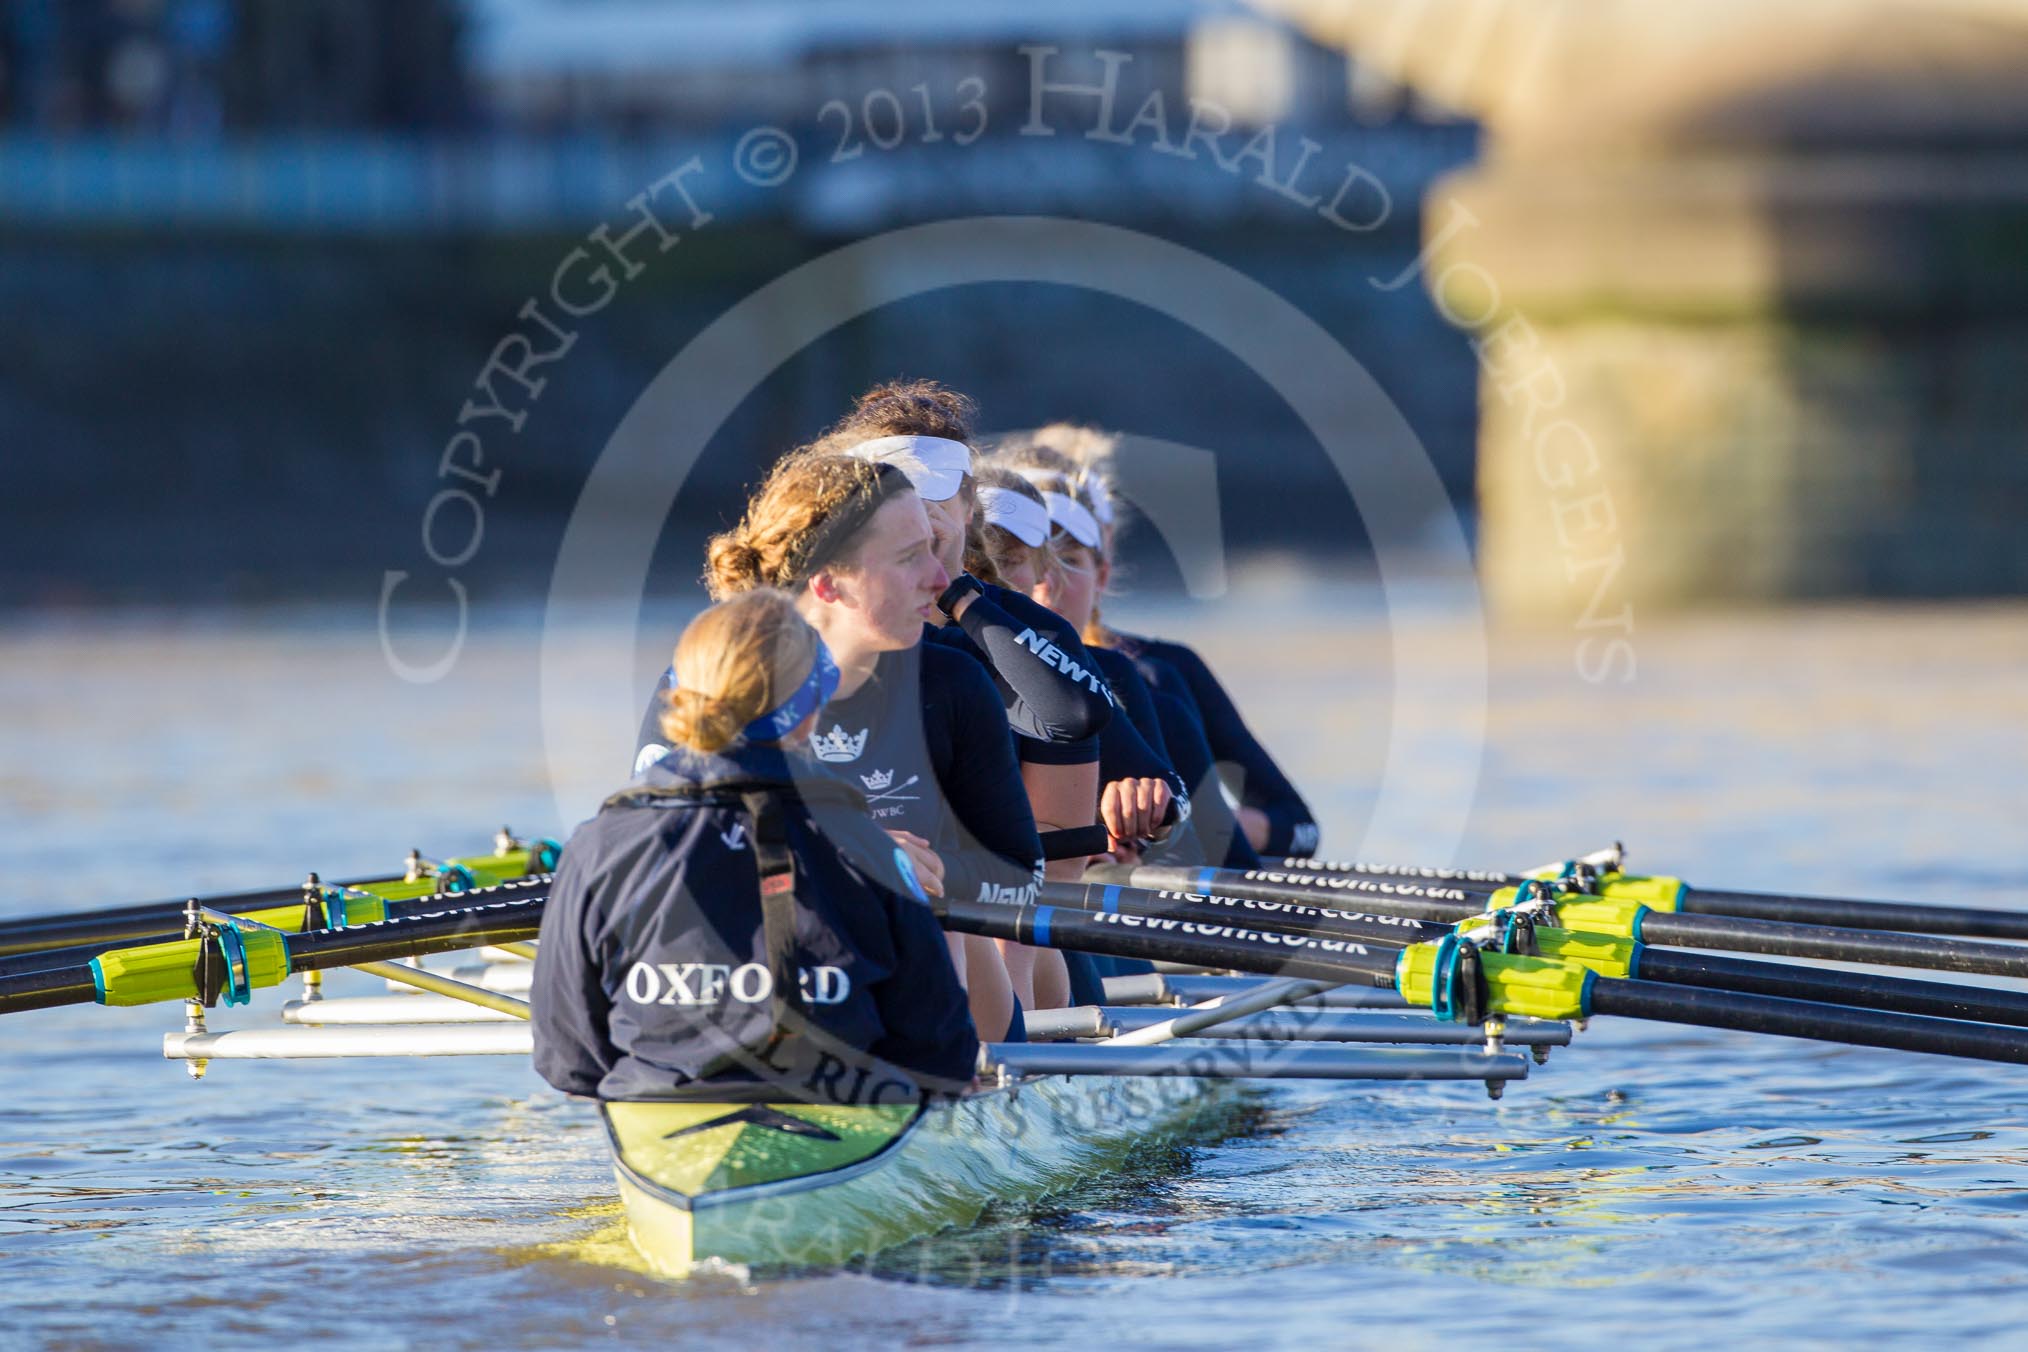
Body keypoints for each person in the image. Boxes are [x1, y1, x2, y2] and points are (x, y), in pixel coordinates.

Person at [635, 449, 1040, 1037]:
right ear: (829, 583)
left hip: (929, 1003)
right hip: (754, 997)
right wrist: (836, 853)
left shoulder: (953, 685)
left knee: (932, 910)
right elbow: (652, 857)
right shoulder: (710, 681)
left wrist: (922, 868)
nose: (941, 577)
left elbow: (1020, 877)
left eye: (934, 546)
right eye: (910, 558)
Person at [533, 590, 979, 1105]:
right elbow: (943, 1052)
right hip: (838, 1111)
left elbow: (565, 1057)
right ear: (812, 706)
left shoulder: (599, 843)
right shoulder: (868, 845)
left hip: (658, 1115)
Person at [999, 427, 1321, 860]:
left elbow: (1300, 831)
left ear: (1103, 570)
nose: (1045, 584)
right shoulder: (959, 673)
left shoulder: (1154, 679)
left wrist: (1196, 822)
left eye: (1069, 559)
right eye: (1022, 561)